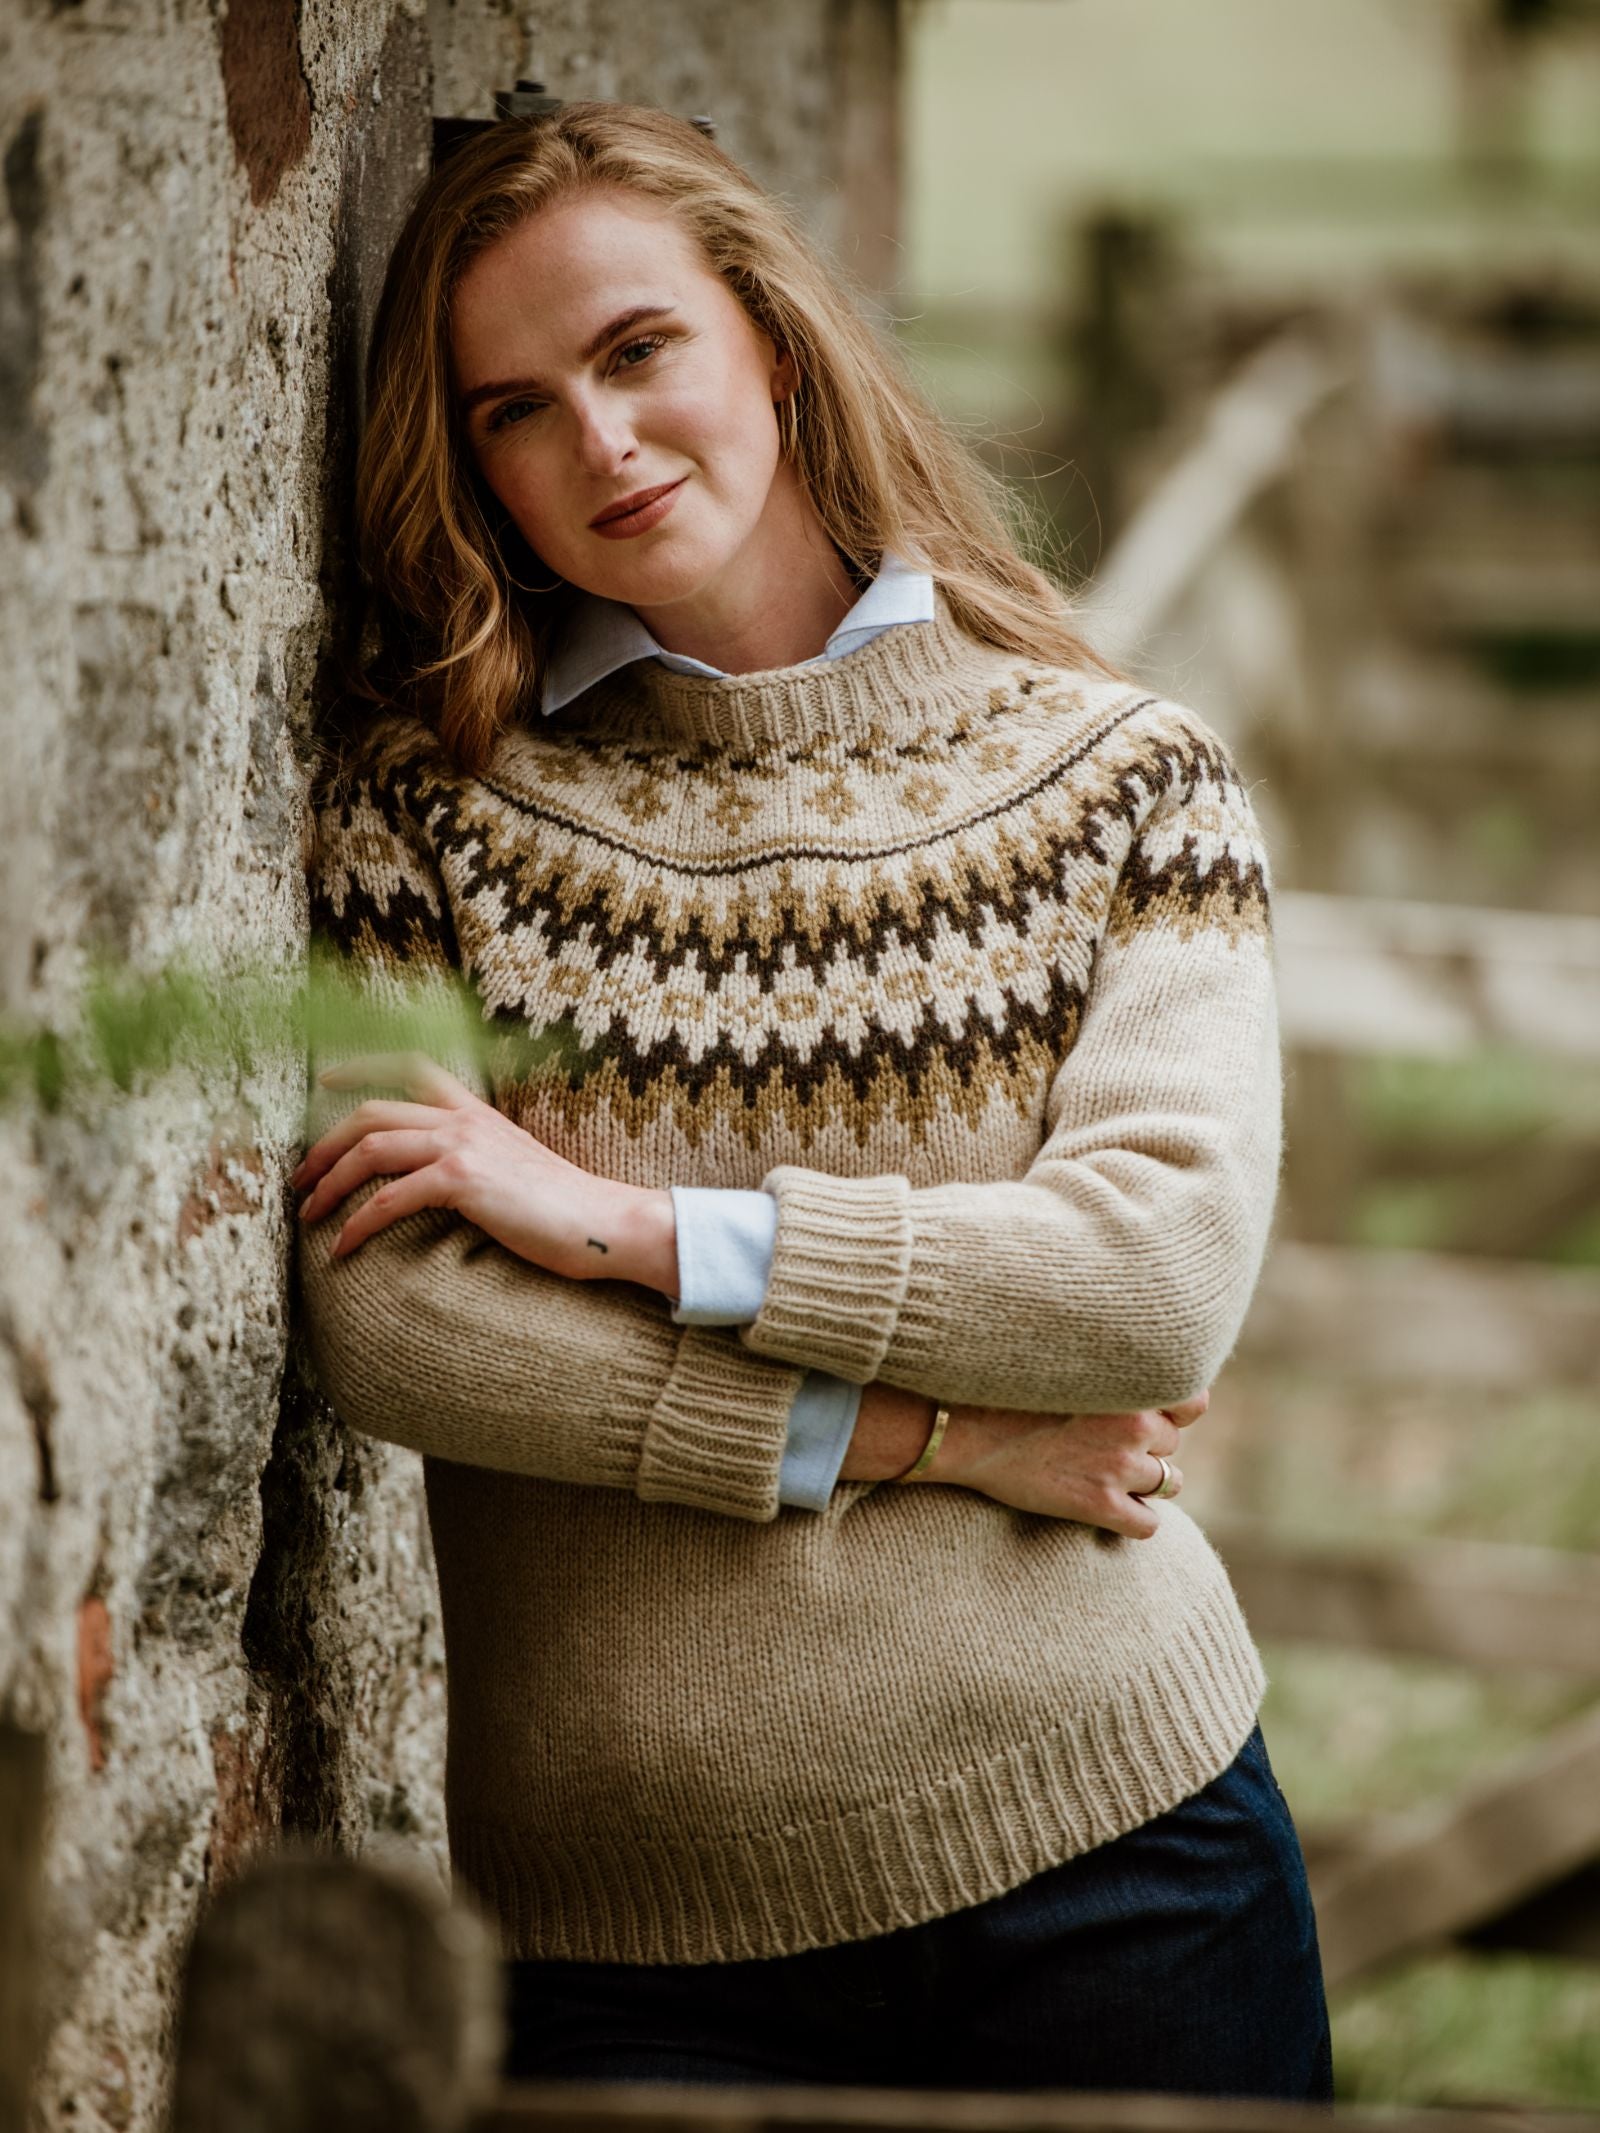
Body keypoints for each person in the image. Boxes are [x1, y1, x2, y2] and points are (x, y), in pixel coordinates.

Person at [292, 102, 1332, 2101]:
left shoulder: (1120, 780)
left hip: (1112, 1855)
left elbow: (1147, 1279)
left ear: (767, 336)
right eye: (512, 408)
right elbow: (402, 1314)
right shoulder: (422, 809)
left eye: (633, 353)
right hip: (621, 1939)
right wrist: (922, 1432)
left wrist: (616, 1222)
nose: (593, 442)